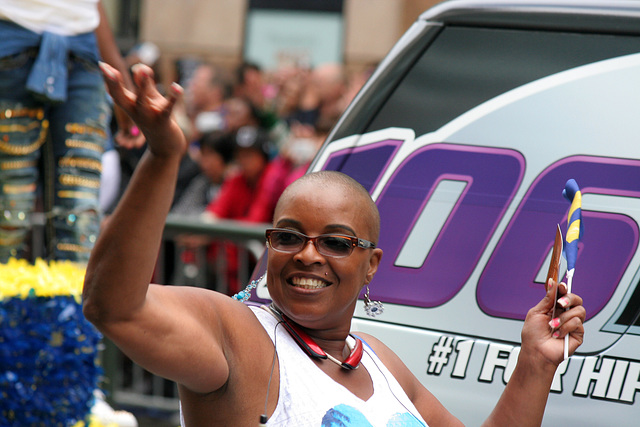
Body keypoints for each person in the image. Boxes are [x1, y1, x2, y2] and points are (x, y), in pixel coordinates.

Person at [85, 62, 586, 426]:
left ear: (371, 265)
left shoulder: (382, 364)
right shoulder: (238, 337)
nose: (307, 254)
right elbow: (116, 309)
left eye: (336, 243)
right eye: (288, 237)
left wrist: (536, 361)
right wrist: (163, 157)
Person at [0, 0, 142, 263]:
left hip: (82, 54)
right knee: (10, 211)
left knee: (77, 219)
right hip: (13, 41)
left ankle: (71, 303)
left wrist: (120, 82)